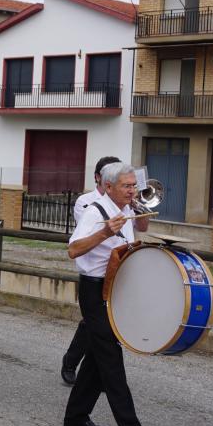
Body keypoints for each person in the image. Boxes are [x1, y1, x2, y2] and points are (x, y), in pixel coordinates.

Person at [62, 162, 151, 426]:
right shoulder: (95, 212)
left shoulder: (125, 209)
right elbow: (73, 250)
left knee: (99, 357)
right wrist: (103, 234)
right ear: (109, 187)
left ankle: (76, 415)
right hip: (93, 289)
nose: (132, 190)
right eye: (127, 186)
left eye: (133, 185)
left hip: (115, 288)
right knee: (111, 358)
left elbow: (140, 230)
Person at [61, 155, 121, 385]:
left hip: (118, 272)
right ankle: (71, 362)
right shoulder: (87, 203)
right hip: (95, 272)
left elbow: (141, 226)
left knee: (106, 328)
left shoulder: (123, 204)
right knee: (94, 325)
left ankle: (94, 375)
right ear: (99, 178)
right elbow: (82, 238)